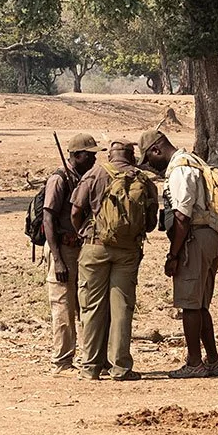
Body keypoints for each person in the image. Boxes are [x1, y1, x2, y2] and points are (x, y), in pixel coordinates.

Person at [68, 138, 159, 380]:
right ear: (132, 156)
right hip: (128, 251)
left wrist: (82, 234)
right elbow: (151, 223)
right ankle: (120, 367)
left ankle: (90, 367)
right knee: (122, 309)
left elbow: (76, 210)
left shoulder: (95, 173)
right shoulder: (143, 179)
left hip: (95, 247)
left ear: (110, 155)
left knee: (92, 308)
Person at [139, 129, 218, 378]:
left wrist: (173, 254)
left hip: (194, 239)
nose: (150, 166)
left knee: (189, 305)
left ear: (156, 149)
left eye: (149, 159)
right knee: (199, 305)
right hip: (208, 236)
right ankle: (213, 360)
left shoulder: (179, 170)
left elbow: (181, 216)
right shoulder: (193, 161)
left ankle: (194, 362)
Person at [40, 133, 97, 372]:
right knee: (63, 307)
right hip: (61, 249)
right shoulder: (59, 179)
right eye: (89, 155)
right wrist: (58, 259)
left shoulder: (84, 179)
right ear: (75, 156)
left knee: (82, 304)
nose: (93, 159)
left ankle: (88, 357)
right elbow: (48, 218)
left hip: (80, 249)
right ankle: (62, 360)